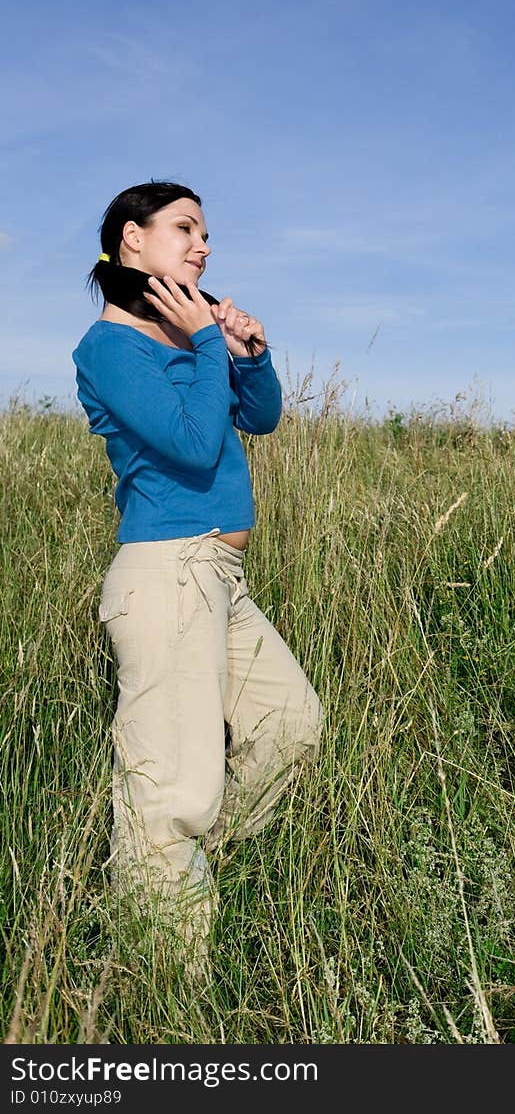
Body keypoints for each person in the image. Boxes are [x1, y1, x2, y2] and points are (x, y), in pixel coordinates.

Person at [71, 180, 322, 971]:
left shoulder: (183, 340)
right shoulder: (110, 347)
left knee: (291, 727)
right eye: (186, 228)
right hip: (169, 571)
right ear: (133, 240)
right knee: (172, 790)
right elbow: (189, 444)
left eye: (207, 232)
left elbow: (262, 417)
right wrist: (211, 347)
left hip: (219, 574)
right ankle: (165, 977)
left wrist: (250, 355)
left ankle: (190, 869)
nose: (204, 243)